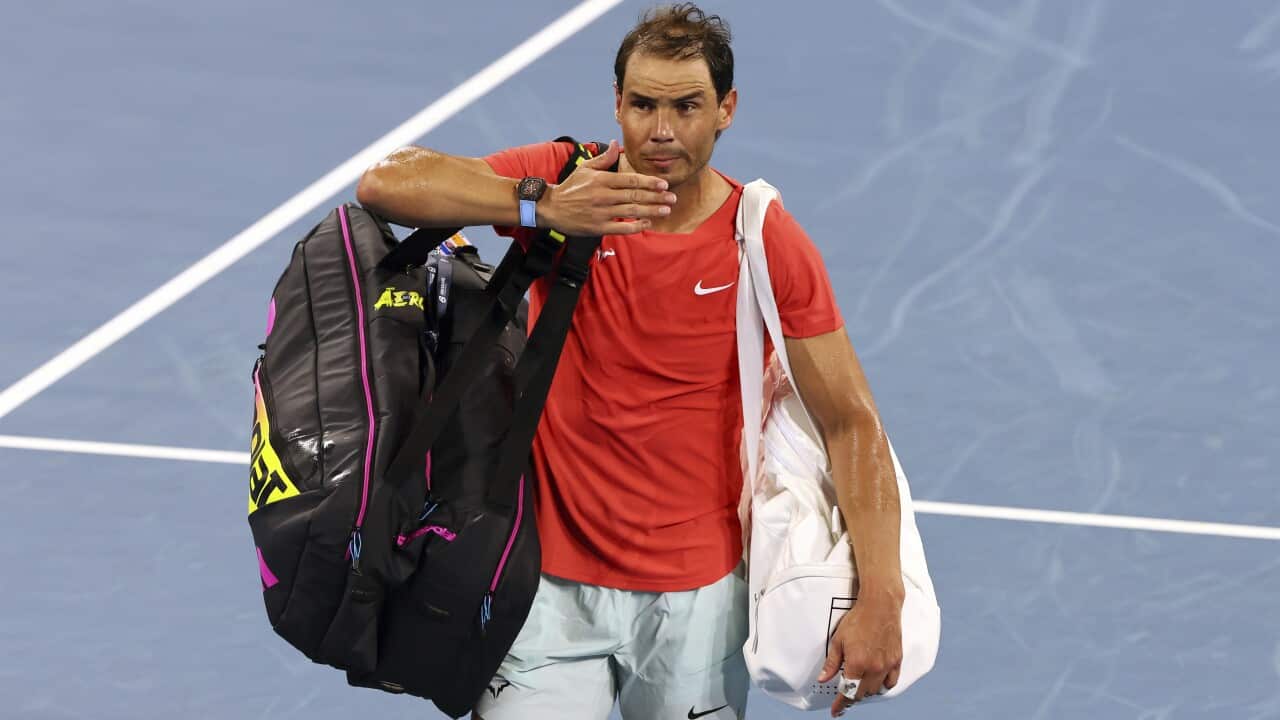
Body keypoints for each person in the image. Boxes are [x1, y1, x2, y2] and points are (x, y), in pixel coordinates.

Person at [356, 4, 904, 718]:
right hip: (543, 588)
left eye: (687, 105)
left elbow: (850, 423)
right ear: (617, 102)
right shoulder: (565, 180)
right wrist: (541, 207)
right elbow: (386, 183)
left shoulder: (762, 241)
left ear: (726, 110)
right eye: (643, 104)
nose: (663, 129)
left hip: (700, 608)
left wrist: (882, 597)